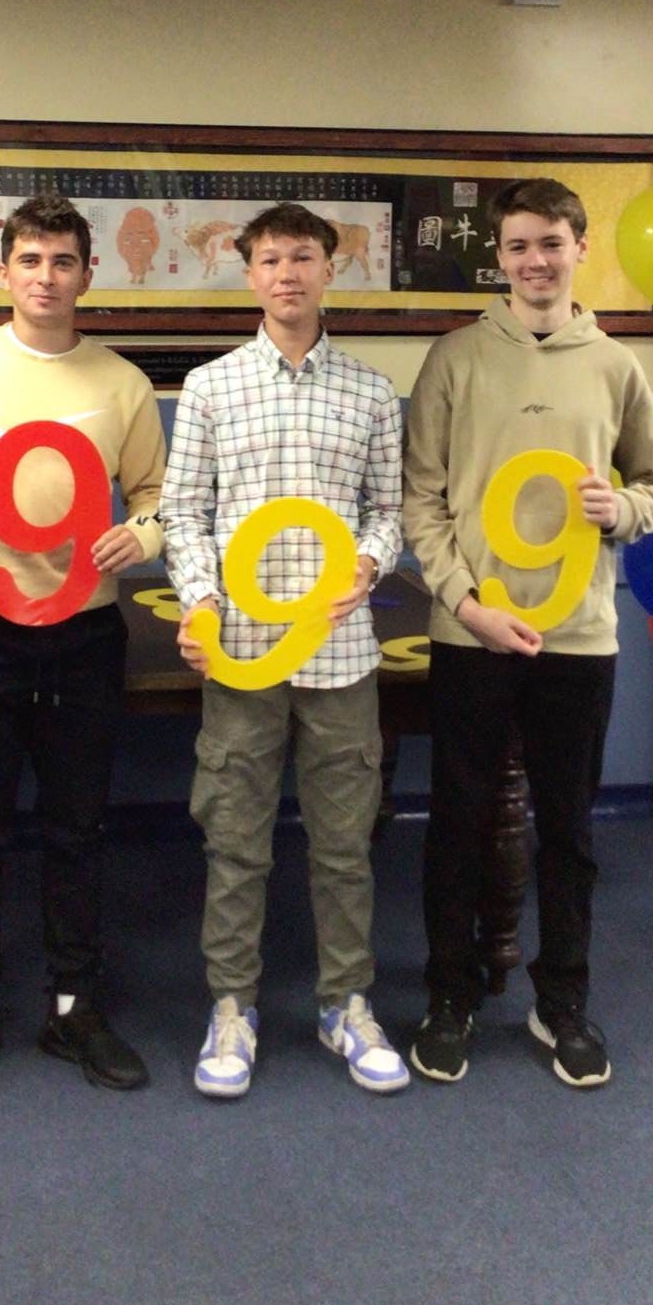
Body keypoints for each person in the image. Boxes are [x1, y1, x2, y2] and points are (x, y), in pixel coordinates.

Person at [402, 177, 653, 1089]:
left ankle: (562, 1004)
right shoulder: (455, 358)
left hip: (578, 637)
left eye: (551, 243)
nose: (535, 261)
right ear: (499, 257)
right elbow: (420, 501)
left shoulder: (616, 365)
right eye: (518, 246)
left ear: (580, 248)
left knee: (569, 832)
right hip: (471, 631)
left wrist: (621, 509)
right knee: (457, 823)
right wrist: (466, 603)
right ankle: (450, 998)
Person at [0, 193, 165, 1104]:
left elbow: (159, 497)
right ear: (3, 269)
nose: (46, 278)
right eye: (30, 260)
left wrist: (144, 534)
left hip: (85, 630)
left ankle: (73, 1003)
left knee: (77, 825)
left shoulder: (122, 383)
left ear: (88, 274)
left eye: (62, 262)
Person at [161, 203, 407, 1100]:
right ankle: (233, 1007)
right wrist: (200, 602)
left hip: (342, 656)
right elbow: (183, 513)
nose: (287, 274)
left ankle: (347, 1003)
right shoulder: (210, 387)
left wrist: (370, 563)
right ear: (250, 274)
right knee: (236, 842)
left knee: (344, 847)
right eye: (270, 260)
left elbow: (388, 511)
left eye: (303, 257)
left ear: (330, 269)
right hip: (242, 656)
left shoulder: (372, 393)